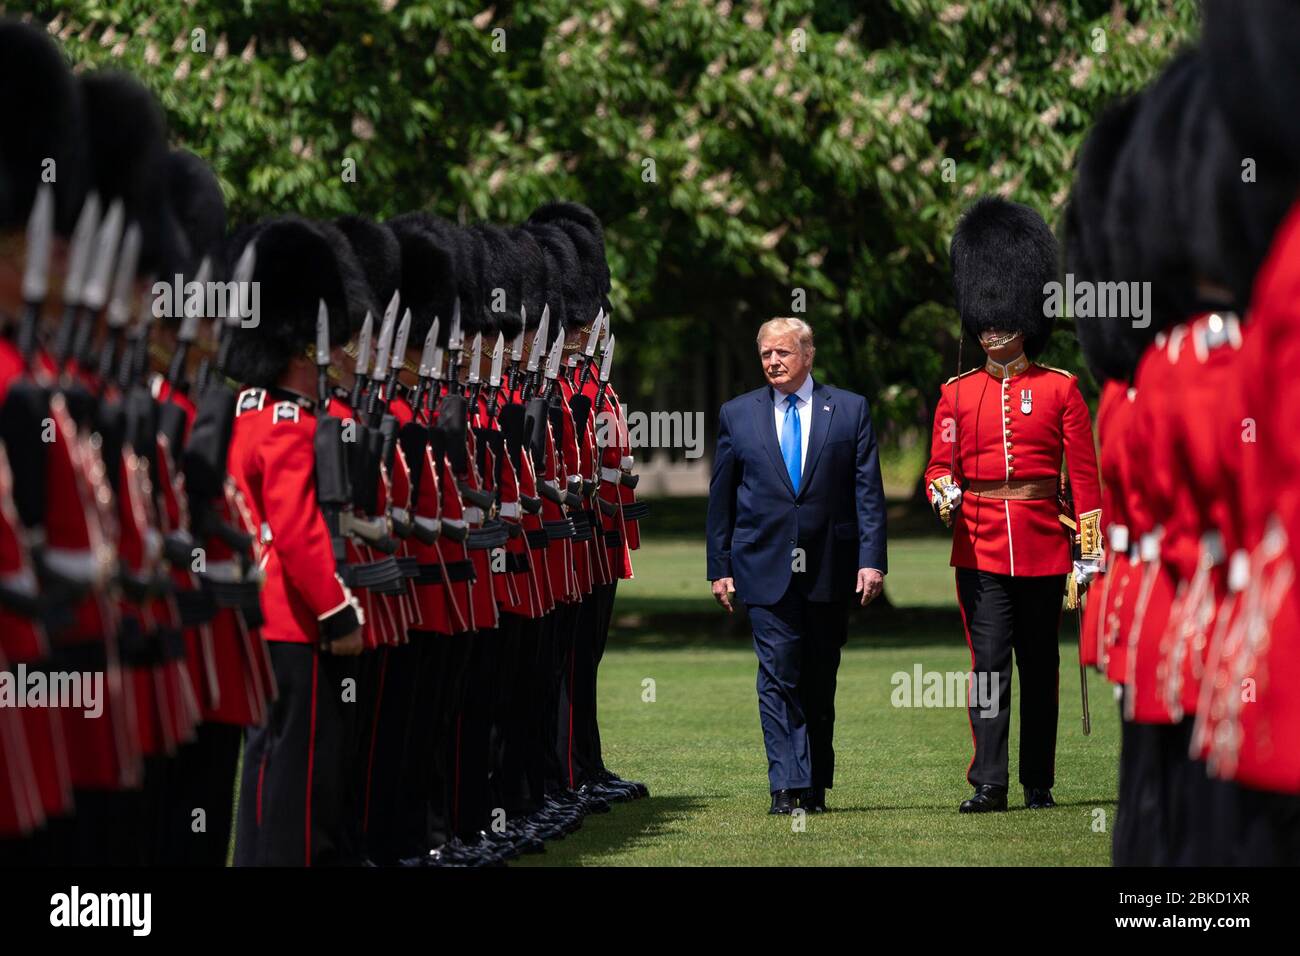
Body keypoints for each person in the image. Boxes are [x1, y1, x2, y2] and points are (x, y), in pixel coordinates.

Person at [923, 196, 1102, 814]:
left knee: (1042, 667)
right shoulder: (956, 395)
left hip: (1046, 547)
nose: (993, 330)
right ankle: (989, 780)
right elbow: (939, 465)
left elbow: (1084, 478)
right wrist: (941, 489)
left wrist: (1089, 552)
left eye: (1004, 319)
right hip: (978, 545)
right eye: (985, 321)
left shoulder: (1061, 390)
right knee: (989, 667)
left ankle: (1038, 780)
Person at [706, 316, 887, 815]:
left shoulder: (849, 410)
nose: (773, 362)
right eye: (765, 353)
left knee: (819, 677)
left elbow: (867, 493)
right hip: (762, 567)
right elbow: (720, 498)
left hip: (831, 566)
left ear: (808, 355)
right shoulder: (737, 414)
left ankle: (814, 787)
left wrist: (871, 562)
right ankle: (785, 786)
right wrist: (719, 566)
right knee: (778, 674)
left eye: (783, 352)